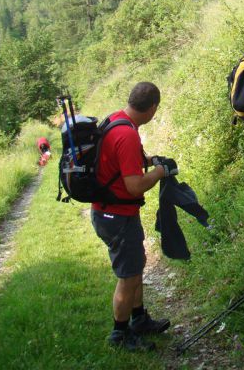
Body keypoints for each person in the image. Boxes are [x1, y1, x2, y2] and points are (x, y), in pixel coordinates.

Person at [90, 82, 178, 351]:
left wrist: (151, 161)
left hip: (114, 212)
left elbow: (120, 162)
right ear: (152, 108)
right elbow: (135, 185)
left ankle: (139, 319)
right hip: (115, 216)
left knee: (135, 266)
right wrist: (159, 173)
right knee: (128, 277)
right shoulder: (127, 135)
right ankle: (119, 334)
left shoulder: (118, 119)